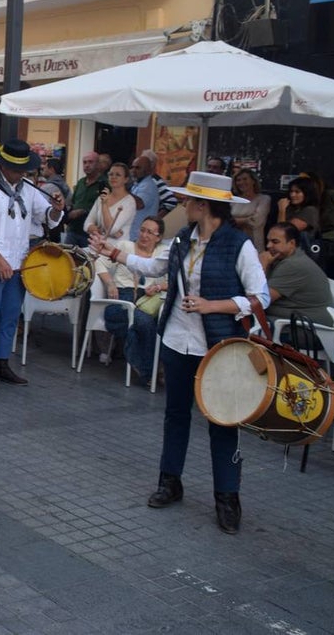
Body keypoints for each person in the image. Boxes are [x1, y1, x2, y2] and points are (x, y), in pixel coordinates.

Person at [90, 171, 269, 535]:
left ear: (203, 205)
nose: (183, 205)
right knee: (176, 415)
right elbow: (155, 266)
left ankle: (227, 496)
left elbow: (259, 297)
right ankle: (170, 482)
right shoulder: (185, 238)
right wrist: (113, 252)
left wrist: (212, 305)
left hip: (217, 346)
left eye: (188, 200)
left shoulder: (239, 245)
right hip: (177, 339)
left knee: (223, 420)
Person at [0, 140, 65, 391]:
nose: (22, 174)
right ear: (3, 165)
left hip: (18, 262)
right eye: (16, 169)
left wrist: (56, 209)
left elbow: (47, 218)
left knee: (11, 313)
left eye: (24, 170)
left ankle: (1, 362)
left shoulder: (28, 189)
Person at [95, 215, 167, 379]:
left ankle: (146, 370)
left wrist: (158, 286)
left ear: (159, 237)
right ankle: (150, 372)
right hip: (122, 298)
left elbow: (172, 280)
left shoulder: (162, 252)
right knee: (144, 321)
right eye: (142, 230)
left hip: (146, 300)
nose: (144, 235)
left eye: (150, 232)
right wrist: (110, 283)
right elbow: (99, 261)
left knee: (144, 325)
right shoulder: (125, 246)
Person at [260, 222, 334, 326]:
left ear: (292, 243)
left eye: (275, 242)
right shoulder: (285, 259)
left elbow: (260, 300)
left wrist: (262, 265)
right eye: (268, 241)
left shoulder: (293, 265)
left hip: (303, 327)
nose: (268, 246)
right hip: (287, 319)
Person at [85, 162, 136, 241]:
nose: (113, 177)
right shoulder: (101, 198)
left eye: (118, 175)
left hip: (116, 249)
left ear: (126, 179)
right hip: (97, 246)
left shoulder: (129, 202)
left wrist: (104, 205)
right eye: (111, 174)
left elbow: (111, 229)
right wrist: (101, 230)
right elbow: (86, 225)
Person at [65, 151, 106, 246]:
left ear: (98, 164)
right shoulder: (80, 183)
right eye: (85, 162)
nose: (87, 165)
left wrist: (83, 211)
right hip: (73, 230)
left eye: (90, 162)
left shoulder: (104, 183)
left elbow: (106, 206)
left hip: (91, 234)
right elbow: (73, 202)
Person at [231, 168, 271, 248]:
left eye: (245, 179)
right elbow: (224, 220)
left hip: (254, 243)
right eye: (238, 180)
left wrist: (234, 220)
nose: (241, 182)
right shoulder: (233, 200)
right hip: (233, 241)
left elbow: (256, 221)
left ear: (253, 181)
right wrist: (247, 219)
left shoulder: (264, 199)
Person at [129, 155, 160, 241]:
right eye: (133, 167)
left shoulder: (148, 186)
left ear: (148, 171)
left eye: (138, 168)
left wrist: (122, 190)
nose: (134, 171)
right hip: (133, 234)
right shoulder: (137, 184)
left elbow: (139, 204)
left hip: (140, 235)